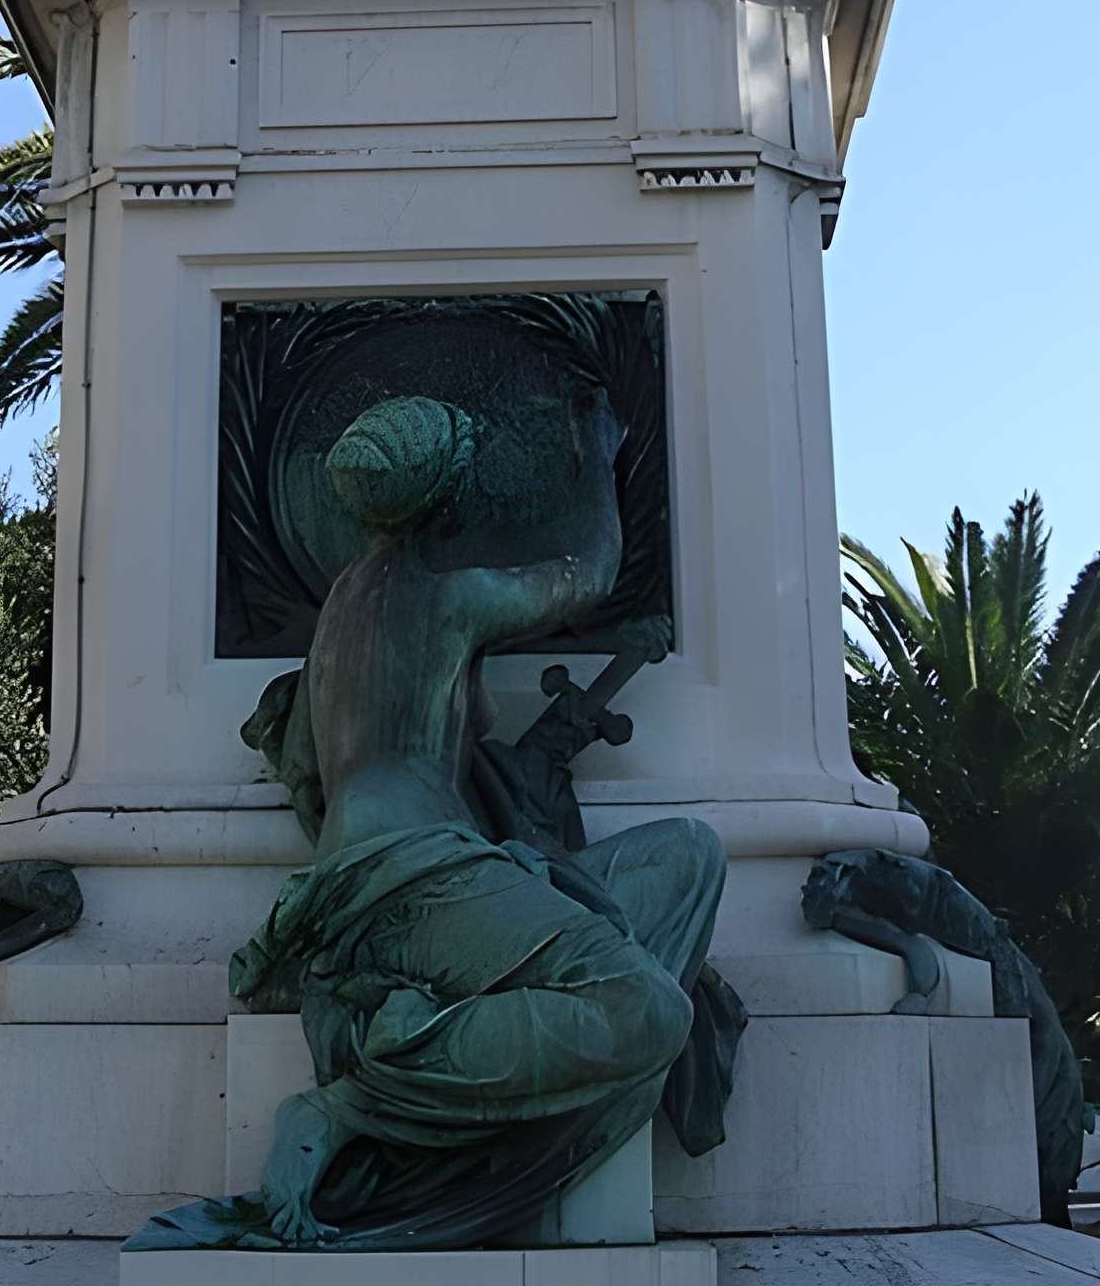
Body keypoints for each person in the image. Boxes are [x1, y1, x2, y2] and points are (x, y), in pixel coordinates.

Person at [132, 391, 725, 1253]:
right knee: (650, 1009)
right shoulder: (449, 600)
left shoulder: (338, 613)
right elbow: (590, 572)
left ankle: (516, 1057)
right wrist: (598, 452)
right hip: (421, 878)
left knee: (690, 857)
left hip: (367, 877)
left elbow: (304, 772)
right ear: (449, 493)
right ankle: (357, 1100)